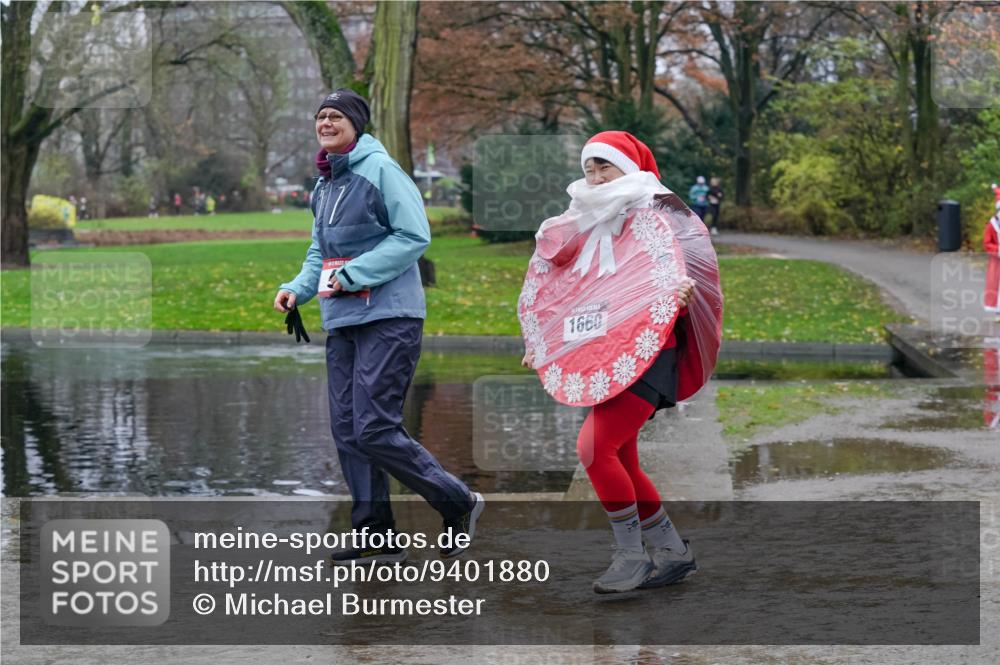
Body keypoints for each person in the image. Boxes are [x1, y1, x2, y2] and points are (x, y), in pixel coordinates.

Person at [273, 89, 484, 564]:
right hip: (342, 318)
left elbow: (415, 235)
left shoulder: (382, 171)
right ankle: (375, 532)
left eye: (336, 116)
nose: (326, 123)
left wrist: (354, 274)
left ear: (356, 124)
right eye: (320, 116)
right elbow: (319, 253)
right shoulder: (324, 184)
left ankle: (458, 500)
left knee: (373, 427)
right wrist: (298, 288)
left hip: (390, 317)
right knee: (347, 429)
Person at [519, 131, 722, 594]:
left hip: (650, 351)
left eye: (604, 167)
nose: (594, 176)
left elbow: (689, 280)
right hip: (601, 352)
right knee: (622, 458)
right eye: (589, 167)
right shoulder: (582, 221)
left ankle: (632, 557)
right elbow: (562, 290)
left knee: (594, 450)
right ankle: (672, 552)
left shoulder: (659, 217)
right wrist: (543, 339)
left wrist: (682, 298)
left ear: (627, 169)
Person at [984, 193, 1000, 317]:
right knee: (996, 285)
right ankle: (997, 311)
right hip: (997, 261)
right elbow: (987, 243)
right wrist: (998, 250)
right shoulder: (993, 224)